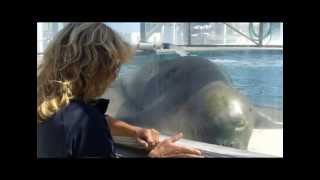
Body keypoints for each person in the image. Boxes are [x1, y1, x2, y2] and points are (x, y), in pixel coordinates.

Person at [37, 23, 203, 158]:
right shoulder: (88, 123)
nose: (115, 76)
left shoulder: (47, 105)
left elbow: (81, 120)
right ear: (95, 69)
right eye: (115, 66)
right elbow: (85, 124)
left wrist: (135, 131)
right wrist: (156, 156)